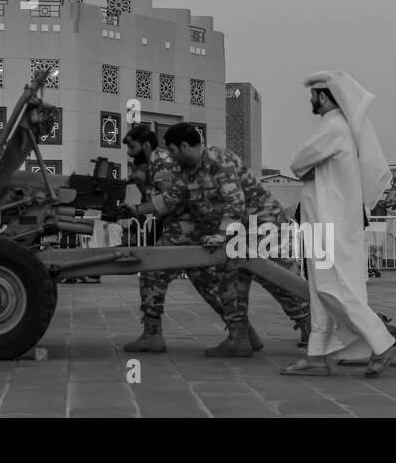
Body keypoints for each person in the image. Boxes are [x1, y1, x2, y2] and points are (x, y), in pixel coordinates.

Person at [283, 70, 396, 377]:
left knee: (332, 288)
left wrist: (308, 169)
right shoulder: (339, 129)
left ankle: (384, 342)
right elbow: (305, 167)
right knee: (320, 291)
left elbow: (298, 163)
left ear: (324, 96)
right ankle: (316, 355)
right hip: (324, 222)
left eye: (313, 94)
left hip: (330, 224)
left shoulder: (334, 128)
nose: (310, 99)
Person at [118, 123, 245, 354]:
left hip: (188, 227)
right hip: (196, 226)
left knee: (152, 268)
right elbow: (171, 197)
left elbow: (173, 200)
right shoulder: (178, 163)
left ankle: (152, 334)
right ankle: (243, 334)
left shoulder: (163, 161)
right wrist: (137, 209)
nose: (129, 152)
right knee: (206, 282)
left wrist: (219, 234)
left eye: (132, 147)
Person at [199, 144, 312, 351]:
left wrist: (221, 234)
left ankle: (313, 328)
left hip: (263, 222)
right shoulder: (194, 168)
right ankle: (238, 337)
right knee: (230, 277)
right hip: (242, 229)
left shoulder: (217, 160)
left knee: (279, 278)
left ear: (184, 146)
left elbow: (234, 200)